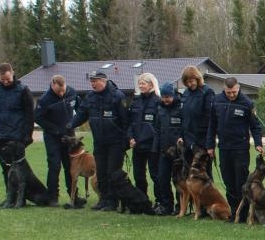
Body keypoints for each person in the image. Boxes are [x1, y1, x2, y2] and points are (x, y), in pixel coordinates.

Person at [66, 70, 129, 211]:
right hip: (99, 142)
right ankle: (104, 200)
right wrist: (70, 124)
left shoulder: (117, 96)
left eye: (95, 81)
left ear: (104, 81)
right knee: (100, 172)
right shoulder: (90, 97)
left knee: (112, 172)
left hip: (115, 142)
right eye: (91, 81)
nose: (93, 84)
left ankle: (113, 201)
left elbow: (126, 120)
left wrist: (125, 142)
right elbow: (82, 114)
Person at [207, 76, 264, 219]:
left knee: (241, 181)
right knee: (228, 180)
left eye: (234, 92)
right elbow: (212, 126)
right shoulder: (216, 101)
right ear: (224, 89)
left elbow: (255, 126)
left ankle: (245, 213)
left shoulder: (247, 103)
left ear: (238, 88)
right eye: (228, 92)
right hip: (224, 148)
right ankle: (233, 211)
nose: (231, 95)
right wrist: (210, 145)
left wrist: (258, 144)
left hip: (240, 148)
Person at [0, 63, 36, 197]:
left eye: (8, 79)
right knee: (5, 169)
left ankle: (21, 197)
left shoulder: (23, 90)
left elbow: (30, 115)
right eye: (3, 80)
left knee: (19, 169)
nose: (6, 82)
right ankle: (9, 197)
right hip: (0, 135)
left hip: (17, 136)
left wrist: (28, 135)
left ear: (12, 73)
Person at [34, 74, 78, 205]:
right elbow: (38, 118)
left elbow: (80, 110)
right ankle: (53, 197)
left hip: (69, 136)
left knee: (70, 166)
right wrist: (55, 129)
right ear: (52, 85)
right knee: (54, 166)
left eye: (63, 90)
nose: (61, 93)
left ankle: (74, 196)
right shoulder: (44, 100)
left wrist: (74, 123)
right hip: (52, 137)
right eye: (59, 91)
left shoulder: (72, 93)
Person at [127, 72, 161, 203]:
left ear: (151, 84)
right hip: (137, 145)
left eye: (143, 83)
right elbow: (130, 123)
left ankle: (160, 201)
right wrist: (130, 138)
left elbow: (159, 125)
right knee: (138, 175)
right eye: (139, 83)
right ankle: (142, 200)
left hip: (152, 145)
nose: (141, 86)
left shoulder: (157, 101)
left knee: (155, 175)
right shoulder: (135, 101)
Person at [178, 65, 216, 180]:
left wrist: (204, 143)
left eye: (192, 81)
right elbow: (183, 117)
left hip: (202, 141)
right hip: (188, 141)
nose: (190, 84)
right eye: (187, 82)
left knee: (205, 175)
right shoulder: (185, 94)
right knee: (189, 174)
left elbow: (209, 118)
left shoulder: (207, 92)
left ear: (197, 79)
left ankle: (209, 198)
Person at [153, 82, 183, 215]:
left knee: (178, 180)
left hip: (178, 152)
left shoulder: (181, 107)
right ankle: (166, 205)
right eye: (163, 97)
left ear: (173, 95)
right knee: (162, 178)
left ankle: (180, 206)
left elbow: (186, 127)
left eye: (168, 97)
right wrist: (156, 148)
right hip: (163, 151)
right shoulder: (159, 109)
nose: (166, 99)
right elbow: (157, 129)